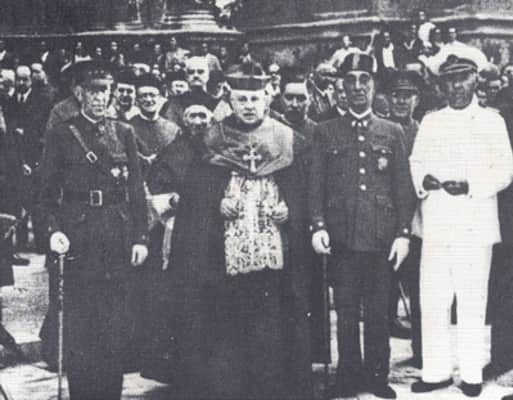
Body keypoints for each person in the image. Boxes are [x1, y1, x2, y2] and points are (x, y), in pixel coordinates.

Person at [166, 62, 312, 400]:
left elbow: (303, 191)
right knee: (226, 326)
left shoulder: (288, 140)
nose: (248, 106)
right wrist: (214, 203)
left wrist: (290, 208)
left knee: (271, 323)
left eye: (255, 99)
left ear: (267, 99)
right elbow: (192, 195)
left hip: (275, 257)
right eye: (242, 99)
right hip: (221, 257)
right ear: (230, 101)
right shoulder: (209, 141)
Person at [36, 60, 149, 400]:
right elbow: (45, 194)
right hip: (78, 237)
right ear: (79, 93)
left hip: (116, 236)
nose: (101, 98)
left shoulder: (124, 132)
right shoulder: (61, 134)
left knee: (114, 326)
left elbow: (136, 191)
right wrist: (52, 230)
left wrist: (140, 237)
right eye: (94, 91)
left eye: (106, 91)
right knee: (81, 325)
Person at [309, 53, 416, 399]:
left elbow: (403, 189)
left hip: (381, 239)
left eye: (364, 80)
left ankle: (377, 376)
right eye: (351, 80)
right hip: (341, 238)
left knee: (378, 312)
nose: (357, 87)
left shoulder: (392, 131)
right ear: (341, 85)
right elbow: (316, 185)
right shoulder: (326, 132)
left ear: (374, 86)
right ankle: (348, 377)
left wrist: (403, 235)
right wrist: (318, 226)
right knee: (345, 311)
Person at [409, 54, 513, 397]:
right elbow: (416, 160)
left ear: (475, 80)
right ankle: (436, 371)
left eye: (463, 79)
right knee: (433, 298)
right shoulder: (431, 121)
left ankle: (470, 374)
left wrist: (470, 185)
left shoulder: (491, 121)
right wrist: (423, 180)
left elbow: (505, 170)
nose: (456, 86)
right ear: (441, 85)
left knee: (471, 299)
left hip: (474, 223)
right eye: (450, 80)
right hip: (437, 221)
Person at [141, 104, 212, 382]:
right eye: (193, 116)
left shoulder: (220, 148)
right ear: (184, 121)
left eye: (204, 116)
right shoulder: (173, 151)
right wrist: (172, 200)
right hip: (179, 234)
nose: (199, 121)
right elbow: (156, 191)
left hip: (213, 234)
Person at [384, 69, 423, 366]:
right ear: (387, 99)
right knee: (384, 289)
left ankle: (421, 351)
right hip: (385, 223)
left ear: (416, 100)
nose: (401, 101)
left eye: (407, 96)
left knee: (420, 289)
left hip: (418, 222)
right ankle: (380, 359)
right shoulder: (380, 129)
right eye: (396, 95)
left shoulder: (424, 131)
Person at [161, 56, 219, 127]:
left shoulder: (215, 102)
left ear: (208, 75)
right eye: (191, 72)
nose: (196, 75)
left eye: (200, 72)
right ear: (186, 76)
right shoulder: (174, 102)